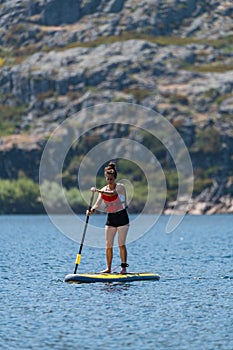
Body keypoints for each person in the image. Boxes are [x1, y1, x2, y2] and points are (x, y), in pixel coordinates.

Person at [87, 162, 129, 274]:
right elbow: (97, 204)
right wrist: (91, 210)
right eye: (107, 179)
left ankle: (124, 268)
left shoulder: (120, 187)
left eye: (111, 179)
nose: (109, 181)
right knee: (108, 245)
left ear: (115, 178)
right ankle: (108, 268)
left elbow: (112, 194)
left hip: (122, 218)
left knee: (121, 244)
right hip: (111, 218)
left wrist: (97, 191)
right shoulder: (103, 189)